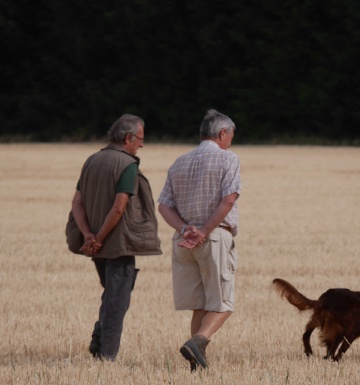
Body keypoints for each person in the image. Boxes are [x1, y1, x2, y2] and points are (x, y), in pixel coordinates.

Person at [67, 114, 162, 361]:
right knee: (117, 301)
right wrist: (99, 237)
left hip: (95, 245)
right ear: (128, 138)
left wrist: (88, 235)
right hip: (117, 244)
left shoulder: (92, 160)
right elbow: (120, 207)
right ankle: (107, 355)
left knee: (111, 294)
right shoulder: (127, 164)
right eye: (140, 139)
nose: (141, 144)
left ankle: (98, 340)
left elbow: (77, 203)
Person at [158, 108, 241, 371]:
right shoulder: (228, 159)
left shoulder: (179, 161)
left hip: (182, 241)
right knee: (223, 303)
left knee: (200, 305)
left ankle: (196, 362)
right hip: (212, 238)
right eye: (231, 136)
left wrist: (185, 229)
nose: (231, 141)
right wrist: (203, 231)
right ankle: (199, 342)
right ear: (222, 133)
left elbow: (163, 206)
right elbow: (229, 199)